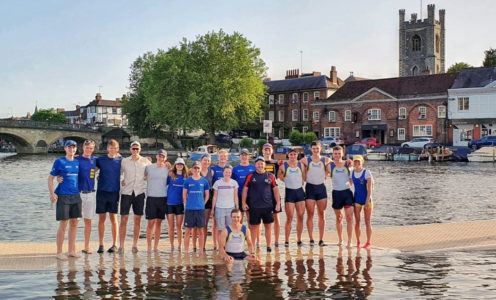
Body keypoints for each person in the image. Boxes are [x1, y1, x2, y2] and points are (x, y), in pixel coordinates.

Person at [48, 140, 81, 260]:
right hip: (63, 196)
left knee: (74, 223)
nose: (71, 149)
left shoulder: (78, 161)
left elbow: (91, 161)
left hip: (76, 196)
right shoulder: (59, 162)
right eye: (69, 147)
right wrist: (52, 194)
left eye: (73, 147)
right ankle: (59, 252)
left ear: (76, 149)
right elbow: (50, 178)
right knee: (64, 223)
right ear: (65, 148)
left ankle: (71, 250)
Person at [242, 156, 281, 252]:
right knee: (254, 227)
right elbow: (245, 190)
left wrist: (278, 203)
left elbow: (276, 190)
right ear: (255, 165)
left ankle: (268, 246)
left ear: (264, 165)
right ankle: (253, 247)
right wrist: (243, 202)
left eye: (262, 163)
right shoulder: (250, 176)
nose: (260, 165)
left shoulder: (270, 176)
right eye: (258, 163)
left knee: (268, 226)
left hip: (267, 206)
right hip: (254, 206)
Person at [119, 141, 151, 254]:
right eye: (133, 148)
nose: (135, 151)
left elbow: (152, 172)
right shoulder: (124, 161)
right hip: (126, 193)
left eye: (137, 149)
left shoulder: (146, 162)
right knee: (124, 219)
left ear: (140, 149)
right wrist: (121, 179)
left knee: (137, 220)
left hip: (139, 193)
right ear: (130, 149)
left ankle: (135, 245)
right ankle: (121, 246)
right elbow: (119, 173)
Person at [300, 141, 331, 246]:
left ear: (320, 148)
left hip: (321, 188)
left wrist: (348, 162)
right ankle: (311, 239)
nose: (315, 150)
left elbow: (338, 164)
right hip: (310, 188)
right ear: (310, 149)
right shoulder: (305, 160)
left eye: (317, 148)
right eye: (313, 148)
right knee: (310, 214)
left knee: (322, 215)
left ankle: (321, 240)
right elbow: (293, 164)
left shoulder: (326, 160)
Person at [95, 139, 122, 254]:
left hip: (114, 192)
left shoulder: (121, 160)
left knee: (113, 219)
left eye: (114, 148)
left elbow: (135, 163)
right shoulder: (100, 159)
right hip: (101, 192)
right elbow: (88, 166)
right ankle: (101, 244)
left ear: (117, 149)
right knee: (101, 219)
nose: (112, 150)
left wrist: (148, 160)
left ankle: (114, 244)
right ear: (107, 148)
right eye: (110, 148)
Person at [278, 148, 306, 247]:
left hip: (299, 192)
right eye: (291, 154)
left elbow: (305, 177)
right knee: (289, 218)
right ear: (288, 155)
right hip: (289, 192)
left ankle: (299, 239)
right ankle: (286, 240)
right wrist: (284, 178)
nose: (293, 156)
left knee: (300, 217)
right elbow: (279, 176)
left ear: (297, 155)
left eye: (294, 154)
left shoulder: (301, 165)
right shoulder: (283, 165)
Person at [329, 146, 354, 248]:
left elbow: (355, 175)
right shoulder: (329, 165)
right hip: (336, 193)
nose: (337, 155)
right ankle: (340, 239)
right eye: (335, 153)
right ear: (332, 154)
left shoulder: (348, 164)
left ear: (342, 154)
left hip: (347, 193)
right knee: (339, 218)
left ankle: (349, 241)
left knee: (349, 218)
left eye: (339, 153)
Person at [144, 149, 169, 252]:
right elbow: (139, 173)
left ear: (165, 158)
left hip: (162, 198)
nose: (161, 158)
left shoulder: (168, 169)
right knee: (150, 223)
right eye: (159, 156)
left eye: (163, 156)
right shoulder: (149, 167)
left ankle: (156, 247)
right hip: (151, 197)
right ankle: (149, 247)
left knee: (159, 223)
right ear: (156, 156)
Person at [183, 161, 210, 254]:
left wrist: (203, 203)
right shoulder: (188, 180)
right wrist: (187, 203)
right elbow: (184, 194)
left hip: (200, 209)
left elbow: (207, 194)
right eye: (194, 168)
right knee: (188, 231)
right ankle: (186, 251)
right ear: (192, 169)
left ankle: (201, 250)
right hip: (190, 209)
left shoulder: (204, 181)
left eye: (198, 168)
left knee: (201, 231)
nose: (196, 170)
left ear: (200, 169)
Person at [76, 140, 97, 254]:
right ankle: (71, 246)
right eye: (87, 148)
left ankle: (86, 246)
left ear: (93, 149)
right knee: (74, 221)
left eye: (91, 148)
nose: (88, 150)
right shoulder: (76, 159)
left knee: (88, 221)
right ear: (83, 148)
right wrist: (59, 177)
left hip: (91, 194)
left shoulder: (94, 160)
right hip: (78, 193)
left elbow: (109, 160)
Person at [349, 155, 373, 249]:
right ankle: (358, 241)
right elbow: (349, 183)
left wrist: (367, 200)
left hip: (366, 199)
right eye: (355, 161)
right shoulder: (352, 173)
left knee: (367, 221)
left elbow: (370, 189)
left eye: (358, 161)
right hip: (357, 199)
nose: (357, 163)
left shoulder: (367, 172)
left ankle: (368, 242)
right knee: (358, 221)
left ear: (362, 162)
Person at [211, 165, 239, 246]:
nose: (228, 174)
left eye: (229, 172)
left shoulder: (234, 183)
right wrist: (213, 209)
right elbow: (215, 196)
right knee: (220, 229)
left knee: (230, 228)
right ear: (223, 172)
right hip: (220, 209)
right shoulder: (217, 183)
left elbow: (235, 196)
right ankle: (220, 246)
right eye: (226, 172)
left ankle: (228, 246)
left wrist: (237, 208)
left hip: (231, 209)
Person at [261, 143, 281, 247]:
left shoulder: (276, 163)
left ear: (272, 151)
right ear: (262, 150)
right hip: (261, 195)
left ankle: (276, 240)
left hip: (273, 193)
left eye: (269, 149)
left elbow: (280, 177)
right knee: (261, 220)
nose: (267, 151)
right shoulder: (259, 162)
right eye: (265, 149)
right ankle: (259, 241)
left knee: (276, 218)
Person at [166, 158, 189, 251]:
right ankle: (172, 245)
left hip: (180, 204)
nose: (179, 166)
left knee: (179, 226)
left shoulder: (186, 177)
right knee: (171, 226)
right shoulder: (171, 175)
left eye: (181, 164)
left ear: (183, 166)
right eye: (178, 164)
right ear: (175, 165)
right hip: (170, 204)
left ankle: (179, 245)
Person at [209, 149, 229, 249]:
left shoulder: (230, 169)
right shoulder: (213, 168)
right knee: (215, 223)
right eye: (221, 156)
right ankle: (215, 244)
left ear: (227, 158)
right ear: (218, 157)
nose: (222, 158)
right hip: (216, 199)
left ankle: (225, 242)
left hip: (227, 201)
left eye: (224, 156)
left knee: (227, 223)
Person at [232, 148, 256, 221]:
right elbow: (232, 183)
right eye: (242, 155)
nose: (244, 157)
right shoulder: (235, 169)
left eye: (246, 155)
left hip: (251, 196)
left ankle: (251, 233)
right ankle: (240, 232)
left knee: (251, 220)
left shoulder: (254, 168)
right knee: (239, 220)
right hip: (239, 195)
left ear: (249, 156)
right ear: (239, 156)